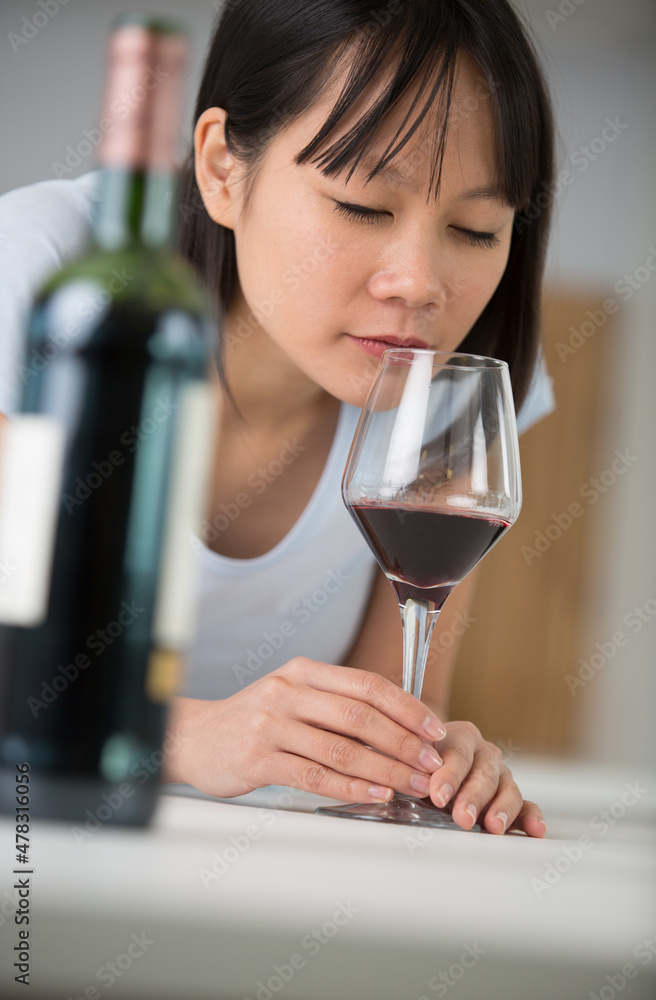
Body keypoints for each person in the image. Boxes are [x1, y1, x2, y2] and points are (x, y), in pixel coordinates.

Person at [0, 0, 556, 836]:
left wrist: (424, 761)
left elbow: (378, 734)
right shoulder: (48, 280)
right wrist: (182, 735)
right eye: (363, 207)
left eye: (475, 229)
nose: (419, 284)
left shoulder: (464, 379)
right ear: (222, 168)